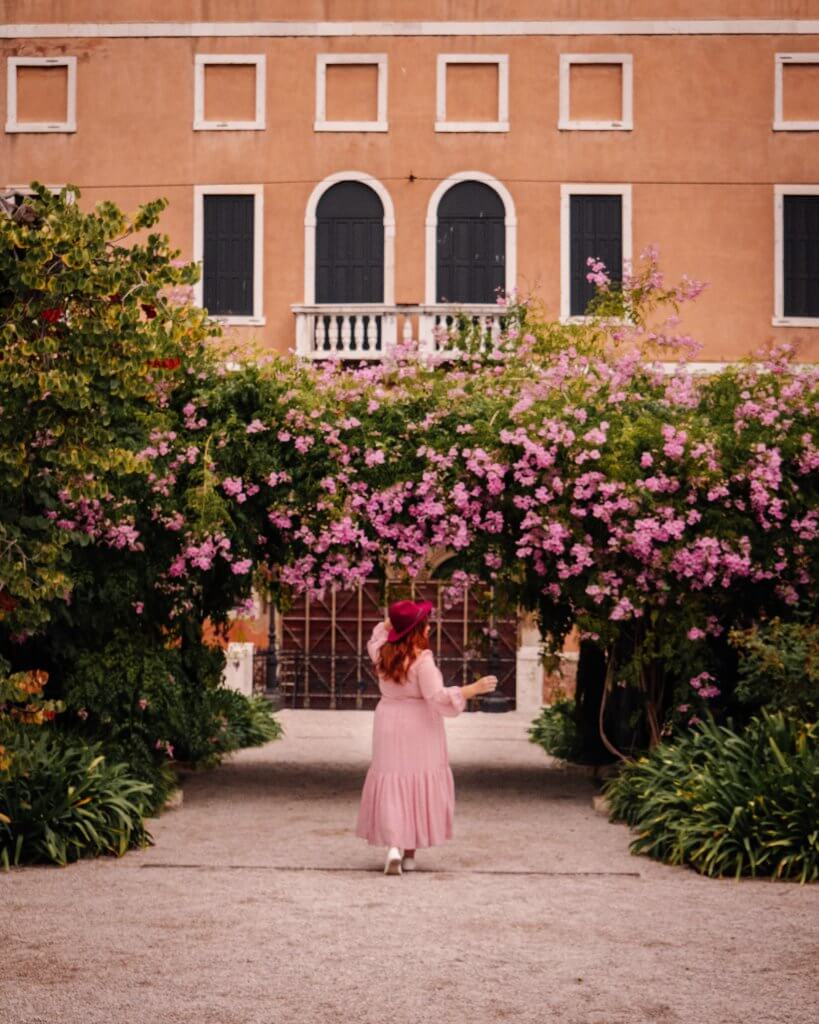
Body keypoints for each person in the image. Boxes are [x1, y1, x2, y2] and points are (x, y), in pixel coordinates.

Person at [355, 598, 497, 875]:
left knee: (392, 779)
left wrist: (393, 623)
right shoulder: (422, 661)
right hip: (418, 725)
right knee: (416, 781)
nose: (430, 627)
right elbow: (437, 697)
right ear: (417, 629)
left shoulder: (382, 653)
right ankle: (409, 853)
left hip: (388, 721)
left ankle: (394, 845)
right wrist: (472, 689)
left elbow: (375, 635)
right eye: (425, 623)